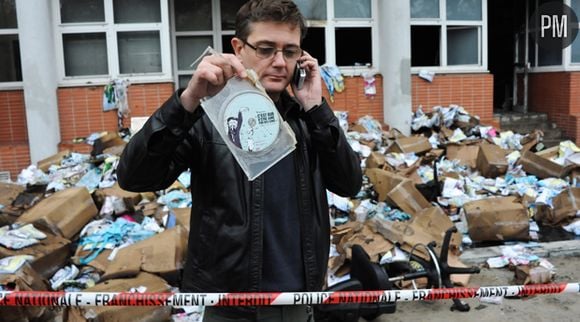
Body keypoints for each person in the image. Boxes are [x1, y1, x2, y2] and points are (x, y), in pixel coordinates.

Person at [117, 0, 362, 321]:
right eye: (265, 49)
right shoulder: (207, 117)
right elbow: (134, 178)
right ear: (238, 48)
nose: (279, 62)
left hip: (298, 299)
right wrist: (187, 101)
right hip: (232, 304)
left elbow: (349, 183)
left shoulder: (306, 119)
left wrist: (317, 109)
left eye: (290, 52)